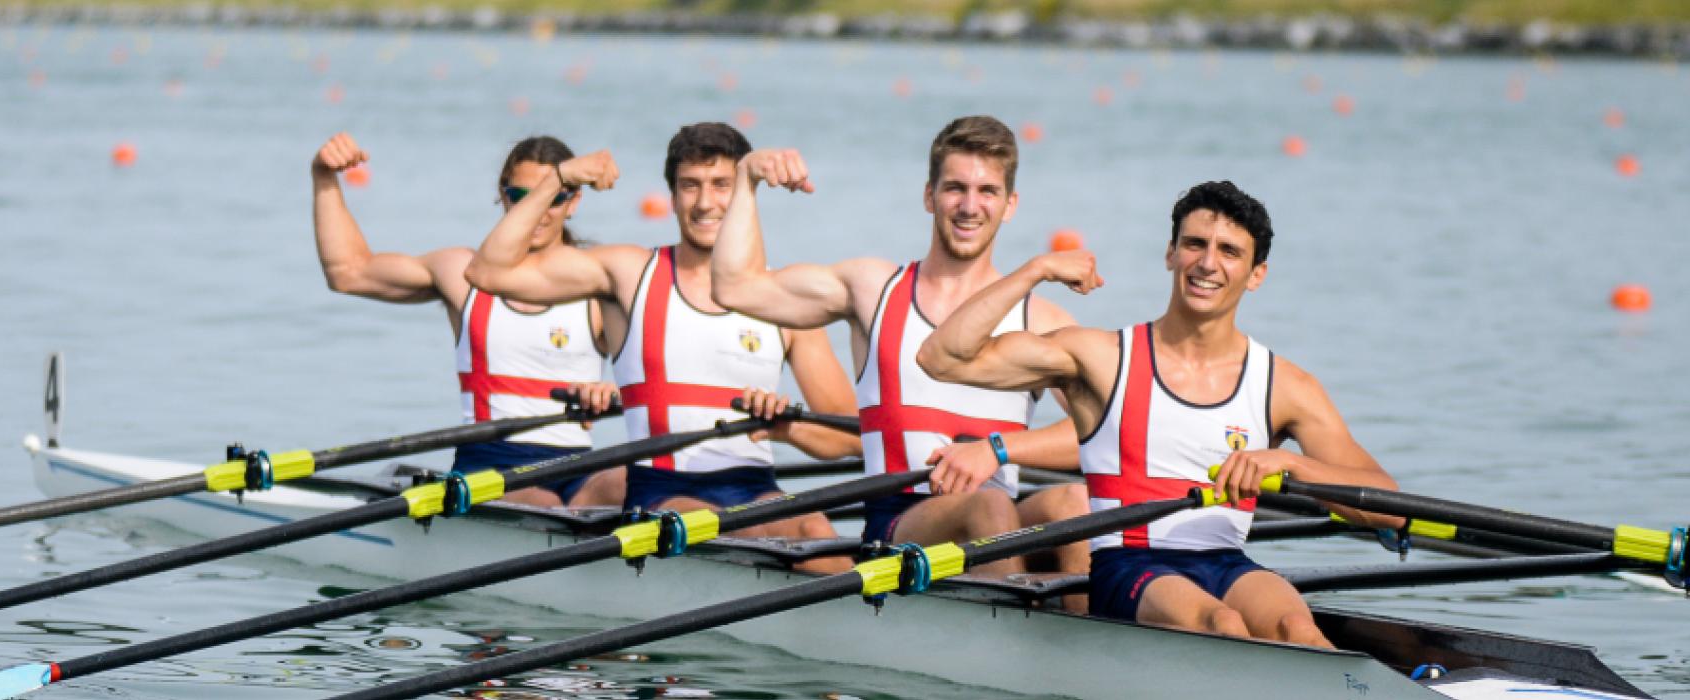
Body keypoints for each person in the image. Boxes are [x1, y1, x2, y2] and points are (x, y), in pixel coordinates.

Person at [916, 180, 1403, 645]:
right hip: (1126, 565)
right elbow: (941, 357)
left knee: (1298, 630)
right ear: (1171, 254)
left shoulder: (1286, 387)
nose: (1207, 263)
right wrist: (1034, 271)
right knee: (1222, 623)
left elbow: (1390, 509)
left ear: (1257, 275)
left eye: (1229, 251)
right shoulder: (1102, 358)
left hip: (1225, 563)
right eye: (1194, 244)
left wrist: (1292, 463)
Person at [708, 115, 1090, 588]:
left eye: (987, 191)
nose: (969, 206)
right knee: (989, 507)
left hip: (997, 521)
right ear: (929, 196)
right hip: (898, 524)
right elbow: (734, 287)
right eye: (955, 188)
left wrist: (999, 449)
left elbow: (1103, 430)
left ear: (1010, 205)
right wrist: (746, 180)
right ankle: (1012, 640)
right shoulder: (874, 291)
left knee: (1073, 503)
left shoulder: (1043, 321)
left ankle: (1079, 640)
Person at [462, 123, 860, 572]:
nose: (705, 202)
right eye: (690, 186)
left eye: (721, 185)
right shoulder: (631, 275)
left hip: (754, 490)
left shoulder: (782, 295)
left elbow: (852, 436)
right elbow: (487, 272)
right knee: (724, 524)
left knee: (814, 530)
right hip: (661, 494)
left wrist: (787, 429)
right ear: (671, 197)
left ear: (746, 193)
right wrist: (558, 178)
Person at [309, 132, 625, 508]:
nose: (537, 211)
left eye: (553, 197)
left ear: (574, 201)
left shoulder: (600, 283)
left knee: (635, 482)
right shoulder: (462, 274)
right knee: (540, 501)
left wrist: (613, 393)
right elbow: (349, 272)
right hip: (490, 466)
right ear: (502, 194)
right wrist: (323, 177)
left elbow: (653, 383)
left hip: (579, 468)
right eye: (521, 197)